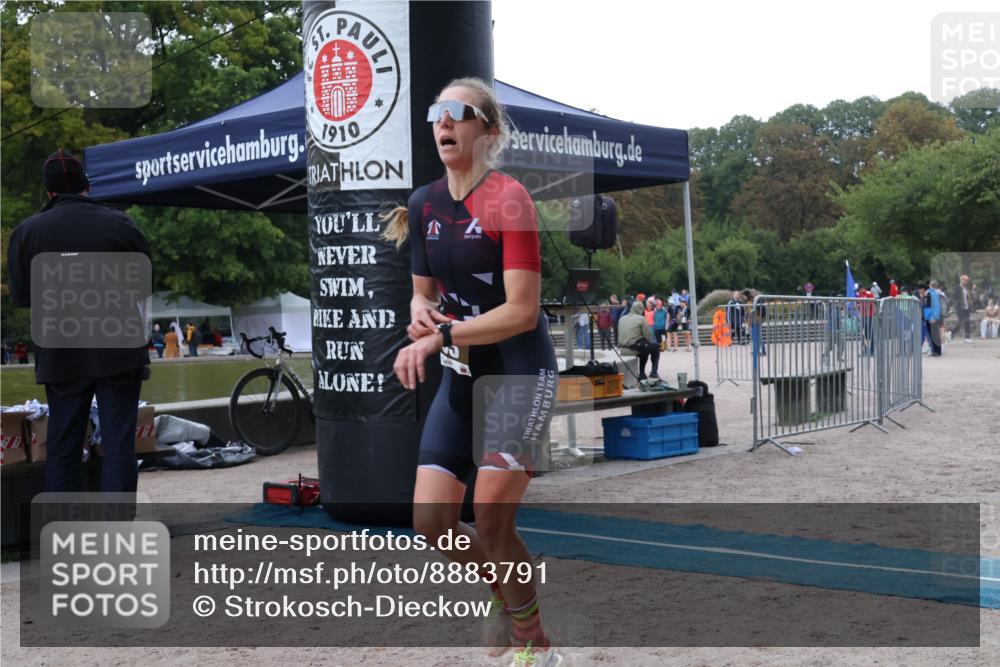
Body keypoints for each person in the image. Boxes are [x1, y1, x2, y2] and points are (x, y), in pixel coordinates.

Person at [382, 77, 561, 665]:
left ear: (489, 131)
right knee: (431, 520)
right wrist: (421, 314)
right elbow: (419, 295)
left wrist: (442, 335)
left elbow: (521, 311)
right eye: (436, 112)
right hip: (462, 376)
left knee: (489, 516)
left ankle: (533, 640)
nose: (443, 122)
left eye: (457, 112)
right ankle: (507, 590)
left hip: (517, 373)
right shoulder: (423, 203)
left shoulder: (510, 199)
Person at [6, 149, 150, 493]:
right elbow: (142, 286)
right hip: (119, 347)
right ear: (86, 186)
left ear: (49, 192)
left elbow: (23, 297)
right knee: (118, 443)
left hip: (61, 349)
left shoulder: (27, 233)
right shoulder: (120, 223)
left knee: (63, 445)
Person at [618, 300, 661, 380]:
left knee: (644, 345)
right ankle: (652, 372)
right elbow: (648, 336)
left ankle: (642, 374)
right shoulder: (641, 318)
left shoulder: (622, 318)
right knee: (654, 347)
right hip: (634, 348)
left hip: (622, 348)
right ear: (640, 309)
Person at [949, 274, 975, 343]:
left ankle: (967, 338)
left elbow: (969, 297)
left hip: (967, 307)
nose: (966, 281)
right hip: (960, 308)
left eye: (967, 280)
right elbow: (952, 298)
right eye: (965, 280)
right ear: (961, 280)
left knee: (967, 322)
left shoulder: (966, 288)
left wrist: (971, 293)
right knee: (961, 322)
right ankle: (952, 332)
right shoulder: (956, 288)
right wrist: (956, 305)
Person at [918, 283, 942, 357]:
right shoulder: (926, 295)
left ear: (922, 289)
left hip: (931, 318)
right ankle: (934, 351)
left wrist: (934, 317)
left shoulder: (931, 294)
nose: (919, 291)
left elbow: (937, 306)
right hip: (926, 318)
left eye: (920, 289)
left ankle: (936, 351)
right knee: (929, 335)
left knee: (933, 335)